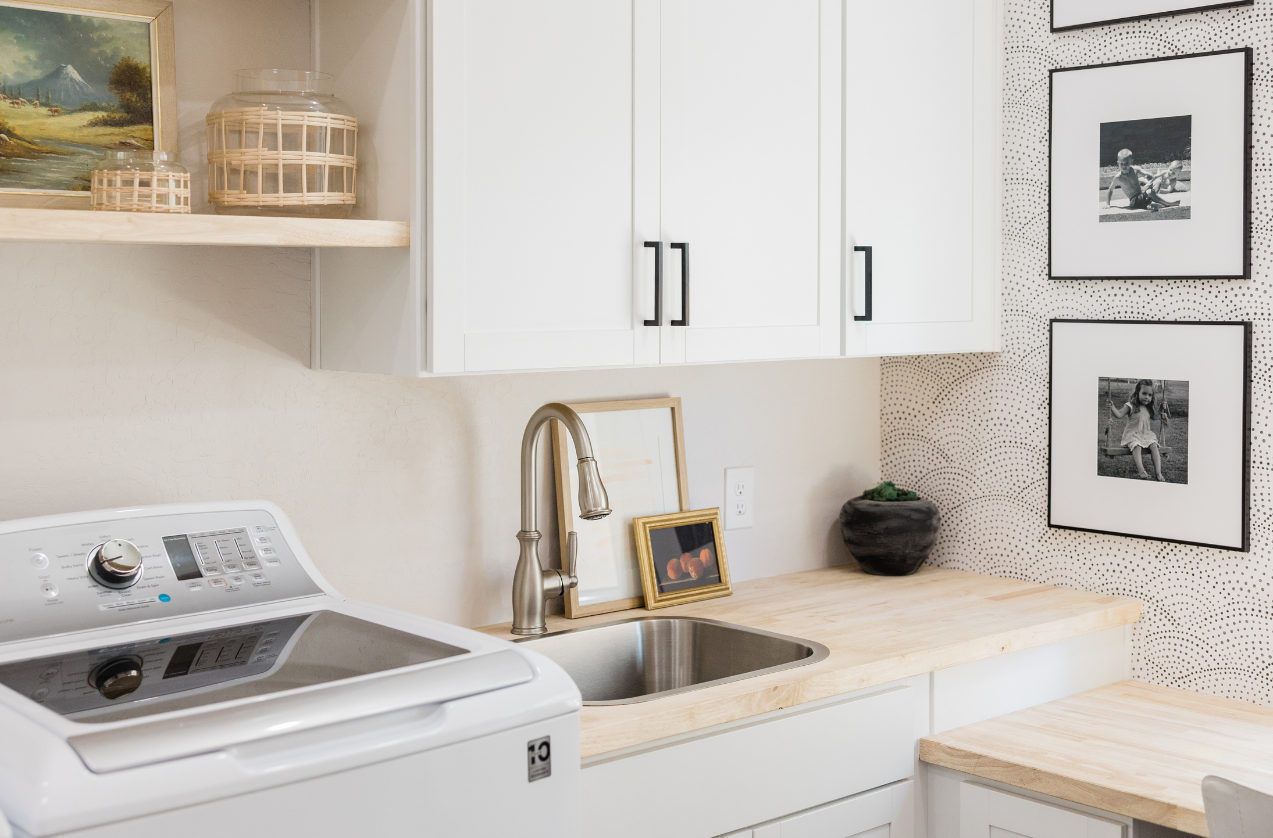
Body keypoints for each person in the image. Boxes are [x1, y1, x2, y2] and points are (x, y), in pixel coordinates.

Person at [1109, 379, 1166, 482]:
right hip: (1133, 435)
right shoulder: (1130, 405)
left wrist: (1161, 409)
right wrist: (1112, 407)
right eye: (1144, 393)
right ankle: (1141, 471)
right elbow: (1119, 414)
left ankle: (1158, 472)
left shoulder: (1149, 407)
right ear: (1137, 392)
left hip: (1146, 435)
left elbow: (1155, 417)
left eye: (1149, 395)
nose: (1146, 397)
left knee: (1154, 446)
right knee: (1137, 446)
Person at [1105, 149, 1181, 212]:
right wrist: (1108, 204)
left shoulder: (1135, 169)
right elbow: (1110, 190)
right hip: (1134, 201)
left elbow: (1146, 173)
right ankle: (1167, 203)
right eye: (1121, 164)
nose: (1124, 166)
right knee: (1150, 192)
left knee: (1157, 182)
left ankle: (1149, 204)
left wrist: (1148, 175)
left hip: (1142, 195)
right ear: (1118, 163)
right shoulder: (1118, 177)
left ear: (1131, 162)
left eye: (1126, 163)